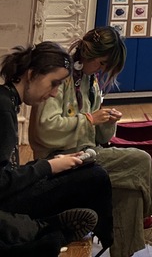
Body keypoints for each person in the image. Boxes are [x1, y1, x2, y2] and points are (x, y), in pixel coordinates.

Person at [29, 27, 152, 255]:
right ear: (89, 54)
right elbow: (44, 131)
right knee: (141, 160)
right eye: (102, 63)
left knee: (130, 192)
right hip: (59, 161)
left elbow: (101, 137)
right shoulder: (61, 79)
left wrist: (106, 121)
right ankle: (147, 220)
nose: (102, 70)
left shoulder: (89, 80)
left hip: (86, 153)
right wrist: (89, 119)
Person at [0, 41, 112, 254]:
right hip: (6, 200)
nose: (54, 93)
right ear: (32, 74)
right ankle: (51, 228)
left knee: (88, 171)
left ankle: (50, 228)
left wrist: (53, 165)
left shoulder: (7, 102)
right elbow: (2, 181)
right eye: (54, 83)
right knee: (94, 176)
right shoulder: (3, 108)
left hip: (9, 194)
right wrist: (48, 167)